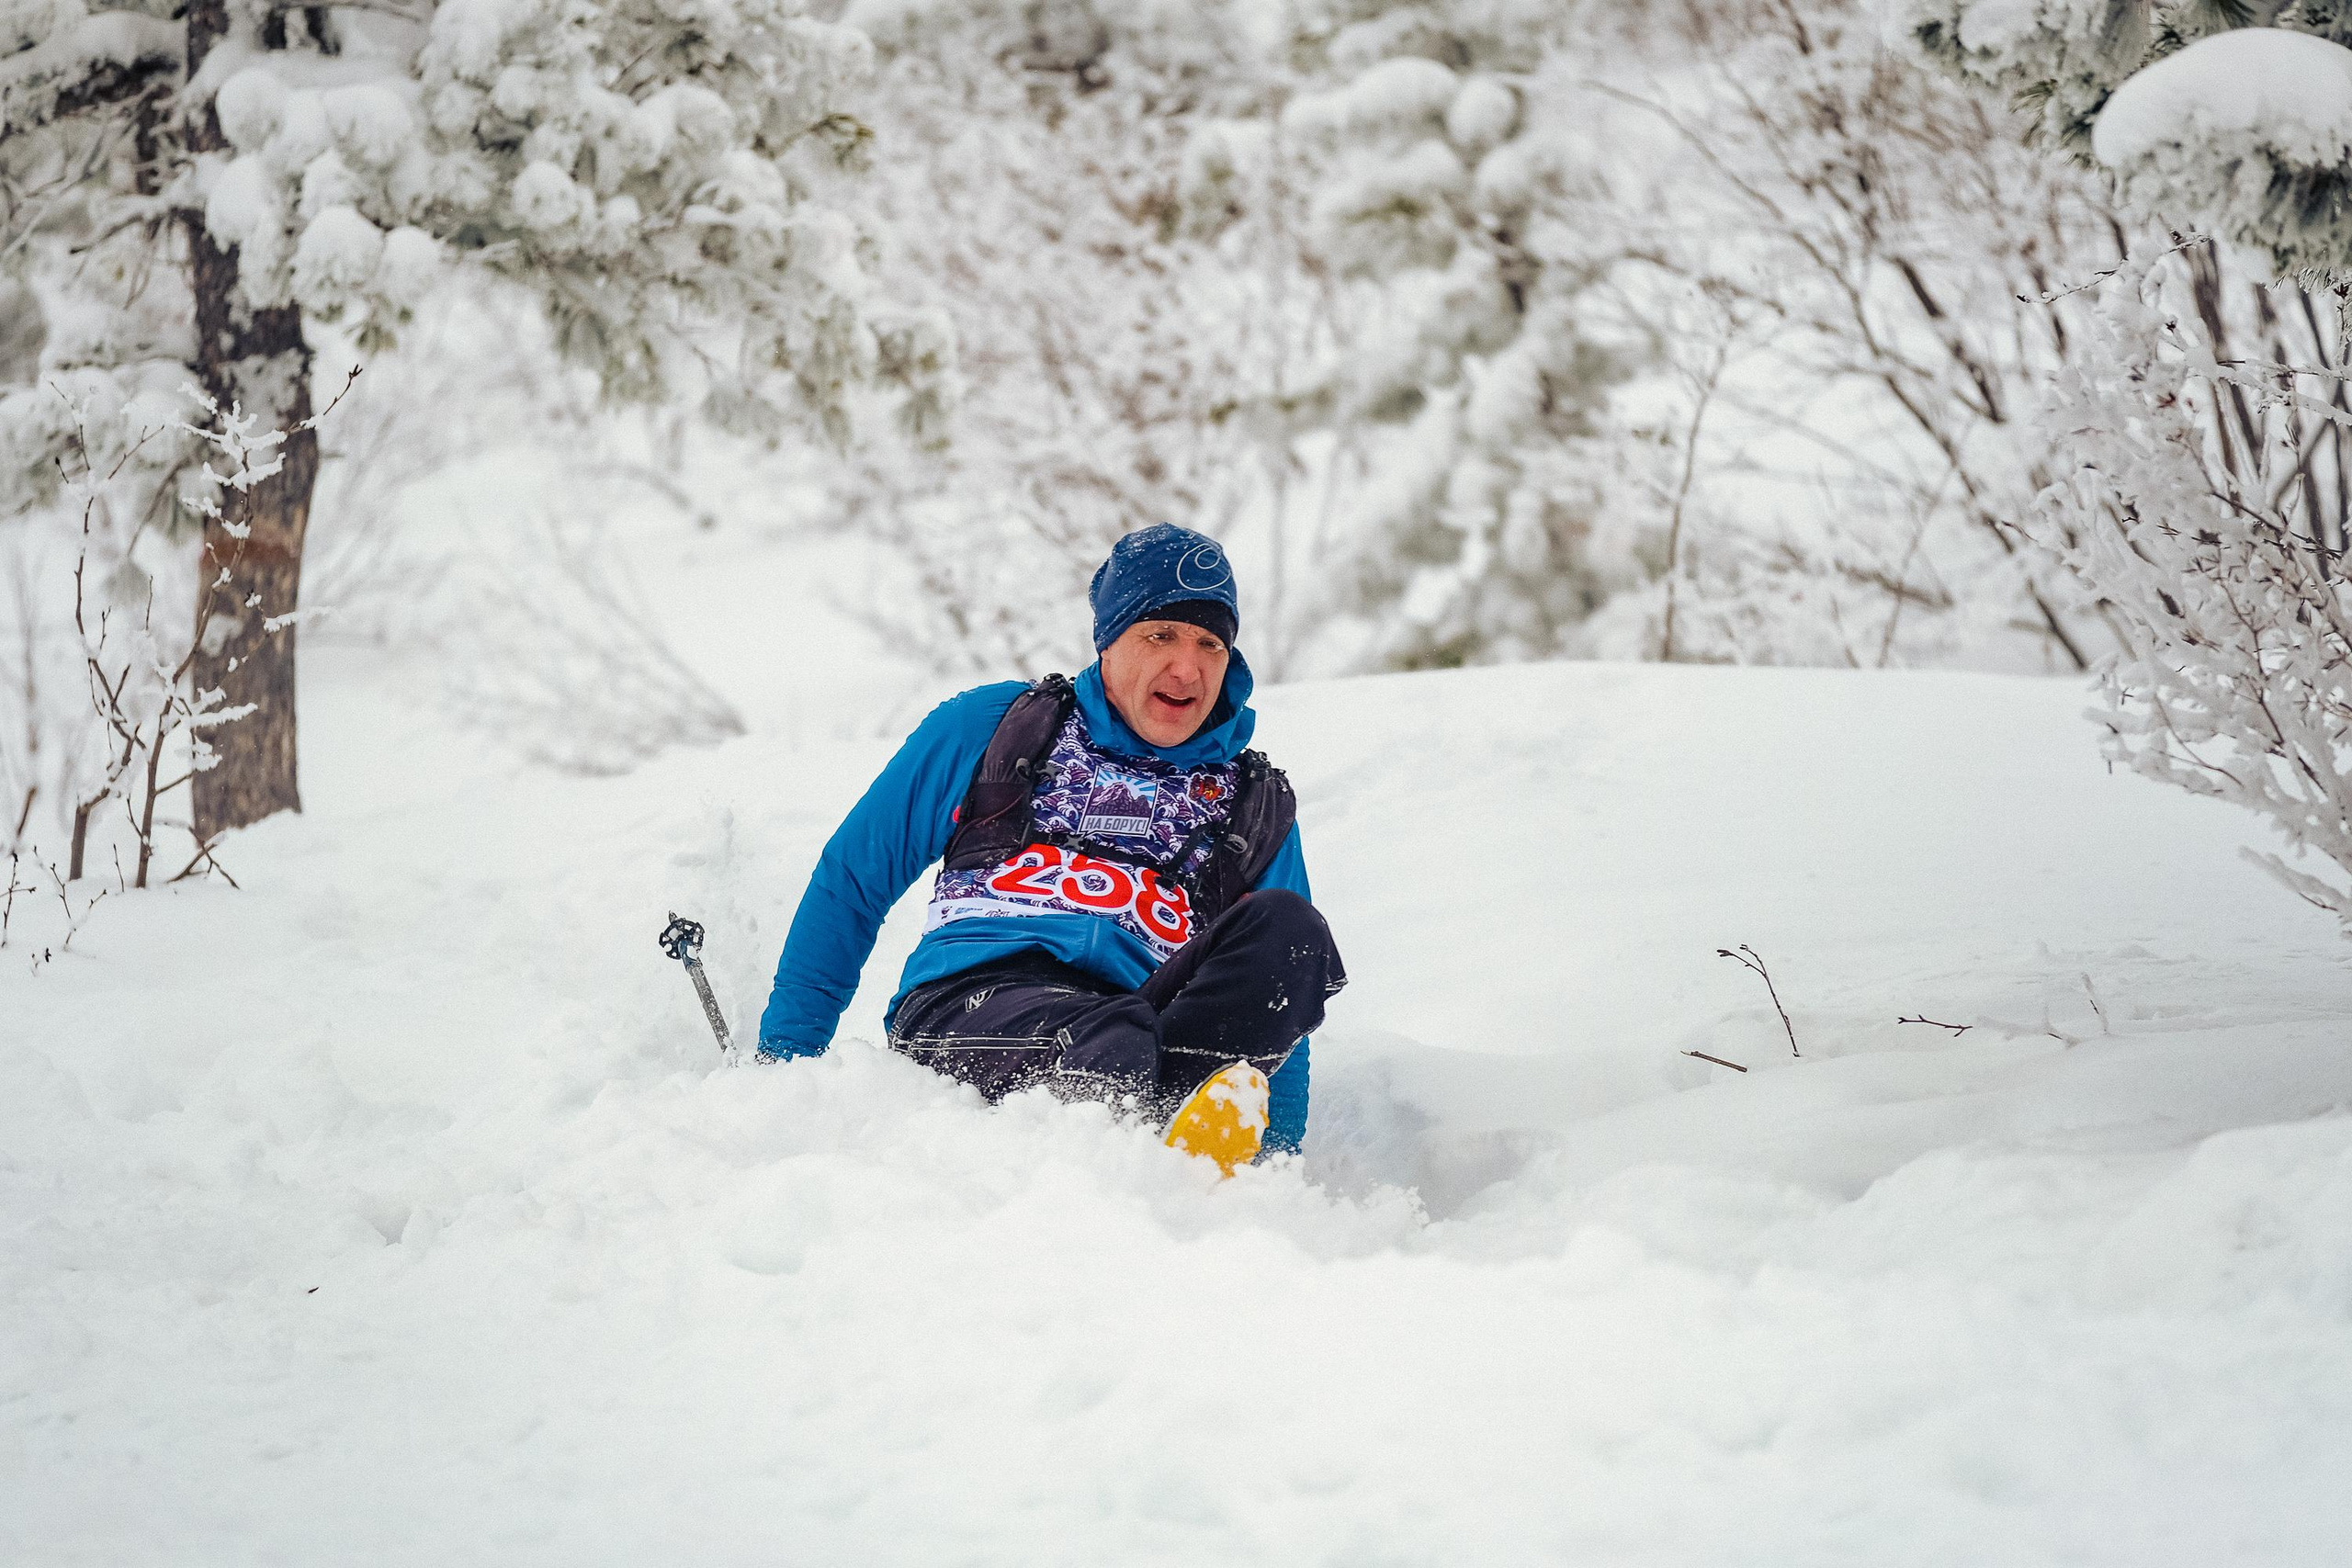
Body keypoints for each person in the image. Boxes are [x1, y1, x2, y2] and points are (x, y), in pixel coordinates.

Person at [755, 523, 1345, 1156]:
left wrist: (1280, 1162)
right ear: (1110, 641)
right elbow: (853, 880)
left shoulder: (1250, 801)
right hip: (971, 1004)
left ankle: (1194, 1155)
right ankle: (1143, 1137)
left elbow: (1286, 1015)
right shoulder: (1000, 726)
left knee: (1291, 930)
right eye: (1161, 634)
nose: (1188, 667)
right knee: (1115, 1046)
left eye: (1210, 643)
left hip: (1142, 1024)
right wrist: (783, 1065)